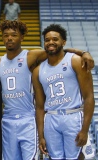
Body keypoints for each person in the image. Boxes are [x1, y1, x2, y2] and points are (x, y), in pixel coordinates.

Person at [0, 20, 94, 160]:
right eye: (6, 35)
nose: (9, 38)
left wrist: (83, 52)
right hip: (24, 119)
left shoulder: (31, 56)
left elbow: (57, 51)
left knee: (77, 156)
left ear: (22, 37)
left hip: (57, 117)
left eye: (13, 35)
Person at [32, 24, 95, 159]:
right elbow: (39, 106)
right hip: (51, 118)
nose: (51, 42)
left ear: (63, 42)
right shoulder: (37, 71)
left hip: (73, 116)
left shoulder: (76, 61)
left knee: (77, 157)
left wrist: (84, 130)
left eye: (55, 39)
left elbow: (89, 97)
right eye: (47, 40)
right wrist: (41, 135)